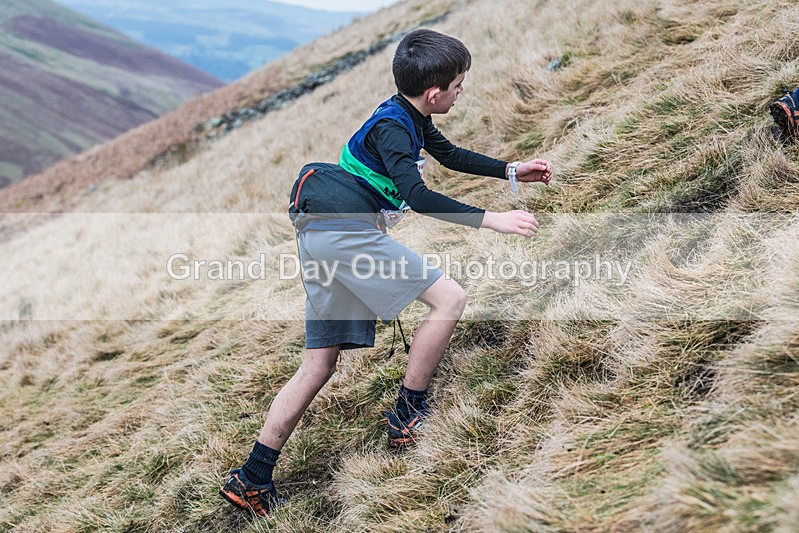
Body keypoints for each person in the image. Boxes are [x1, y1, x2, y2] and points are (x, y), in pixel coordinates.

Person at [219, 28, 552, 516]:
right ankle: (409, 415)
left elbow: (450, 156)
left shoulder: (405, 113)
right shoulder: (396, 127)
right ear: (435, 92)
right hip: (345, 231)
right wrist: (491, 220)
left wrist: (510, 170)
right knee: (450, 300)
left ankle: (251, 477)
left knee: (318, 365)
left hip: (321, 231)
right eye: (460, 84)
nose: (463, 91)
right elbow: (416, 197)